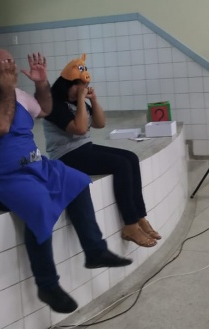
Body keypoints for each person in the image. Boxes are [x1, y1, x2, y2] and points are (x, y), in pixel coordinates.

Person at [0, 49, 131, 314]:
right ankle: (47, 284)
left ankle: (95, 250)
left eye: (12, 62)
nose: (11, 67)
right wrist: (7, 90)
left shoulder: (16, 94)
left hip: (33, 165)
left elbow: (45, 109)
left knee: (76, 180)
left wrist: (40, 84)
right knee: (39, 202)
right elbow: (0, 126)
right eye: (5, 63)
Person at [43, 55, 161, 248]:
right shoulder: (53, 105)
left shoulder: (78, 102)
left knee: (131, 158)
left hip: (84, 148)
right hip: (65, 156)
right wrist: (81, 99)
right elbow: (80, 129)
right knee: (121, 164)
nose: (82, 89)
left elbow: (100, 123)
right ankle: (130, 225)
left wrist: (94, 100)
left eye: (84, 86)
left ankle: (140, 217)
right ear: (67, 85)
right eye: (79, 86)